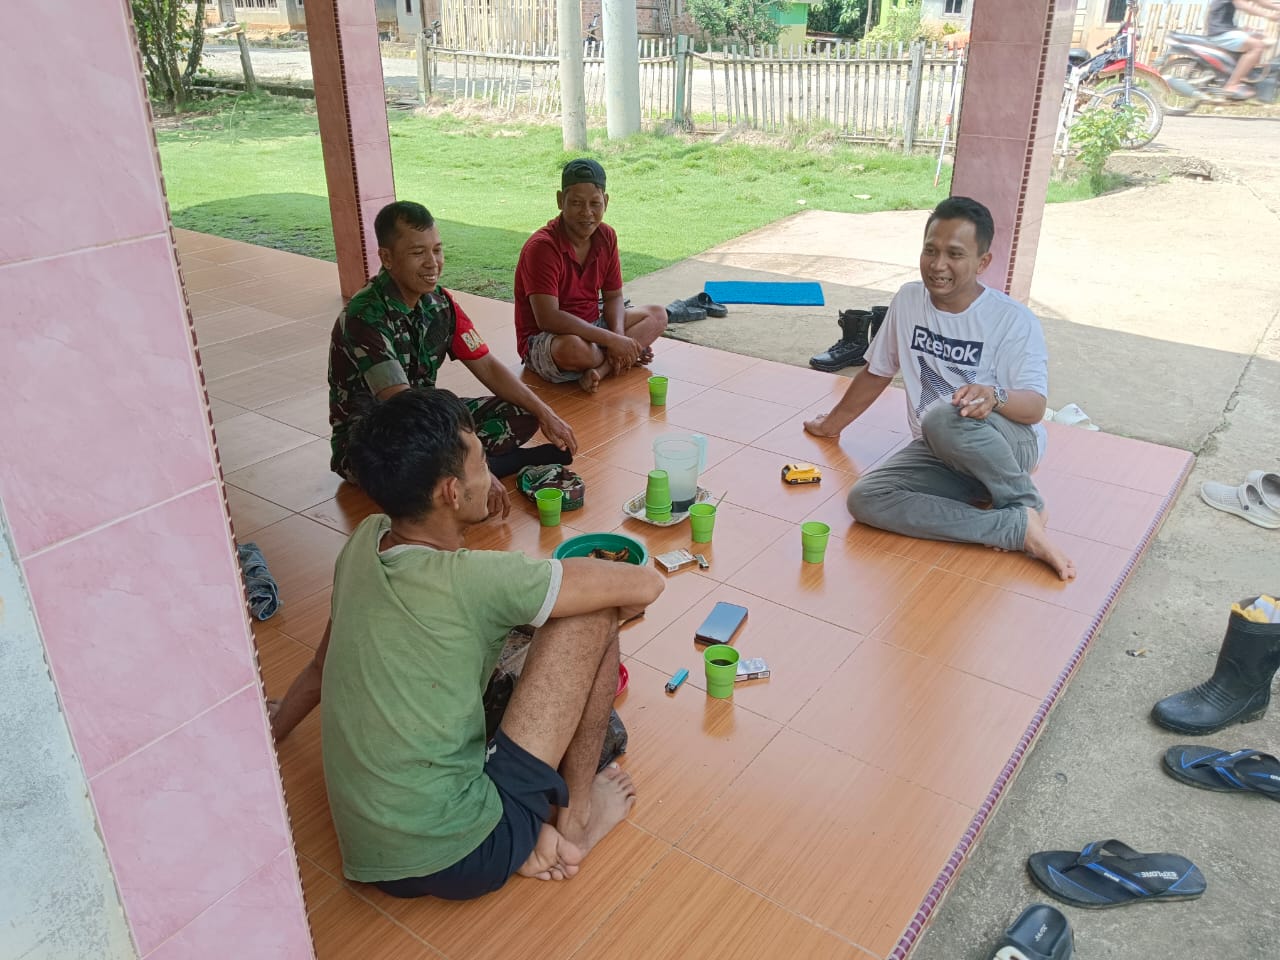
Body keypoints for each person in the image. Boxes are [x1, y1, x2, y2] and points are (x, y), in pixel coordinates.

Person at [274, 388, 664, 898]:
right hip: (466, 852)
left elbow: (322, 666)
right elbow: (646, 586)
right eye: (482, 461)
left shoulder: (364, 542)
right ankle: (577, 820)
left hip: (372, 854)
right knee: (594, 613)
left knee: (517, 630)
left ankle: (527, 839)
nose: (490, 472)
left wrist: (276, 726)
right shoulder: (478, 579)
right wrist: (599, 594)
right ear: (451, 493)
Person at [804, 196, 1076, 581]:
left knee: (943, 417)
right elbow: (877, 372)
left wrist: (995, 396)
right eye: (930, 250)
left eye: (955, 254)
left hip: (1008, 447)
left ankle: (1028, 504)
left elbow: (1034, 408)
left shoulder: (1012, 320)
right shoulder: (908, 300)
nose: (937, 264)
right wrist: (831, 425)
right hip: (939, 449)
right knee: (866, 499)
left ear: (983, 262)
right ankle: (1012, 527)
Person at [329, 201, 578, 518]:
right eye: (418, 253)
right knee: (407, 464)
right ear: (387, 258)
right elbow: (402, 406)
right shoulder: (365, 315)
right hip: (376, 440)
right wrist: (475, 465)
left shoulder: (439, 303)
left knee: (522, 411)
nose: (432, 263)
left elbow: (487, 365)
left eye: (437, 250)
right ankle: (487, 467)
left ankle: (470, 469)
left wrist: (546, 414)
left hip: (426, 418)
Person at [514, 159, 667, 393]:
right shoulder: (542, 247)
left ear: (606, 202)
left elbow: (614, 296)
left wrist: (618, 337)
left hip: (593, 326)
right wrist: (615, 342)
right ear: (560, 200)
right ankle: (617, 359)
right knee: (572, 349)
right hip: (551, 338)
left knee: (657, 315)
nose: (587, 213)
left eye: (595, 203)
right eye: (576, 203)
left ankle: (601, 369)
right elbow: (548, 319)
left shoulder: (606, 236)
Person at [1204, 0, 1280, 100]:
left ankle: (1246, 77)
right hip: (1220, 32)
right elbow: (1242, 5)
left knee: (1262, 38)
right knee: (1257, 46)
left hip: (1226, 29)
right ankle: (1231, 85)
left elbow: (1260, 1)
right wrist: (1268, 15)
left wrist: (1277, 7)